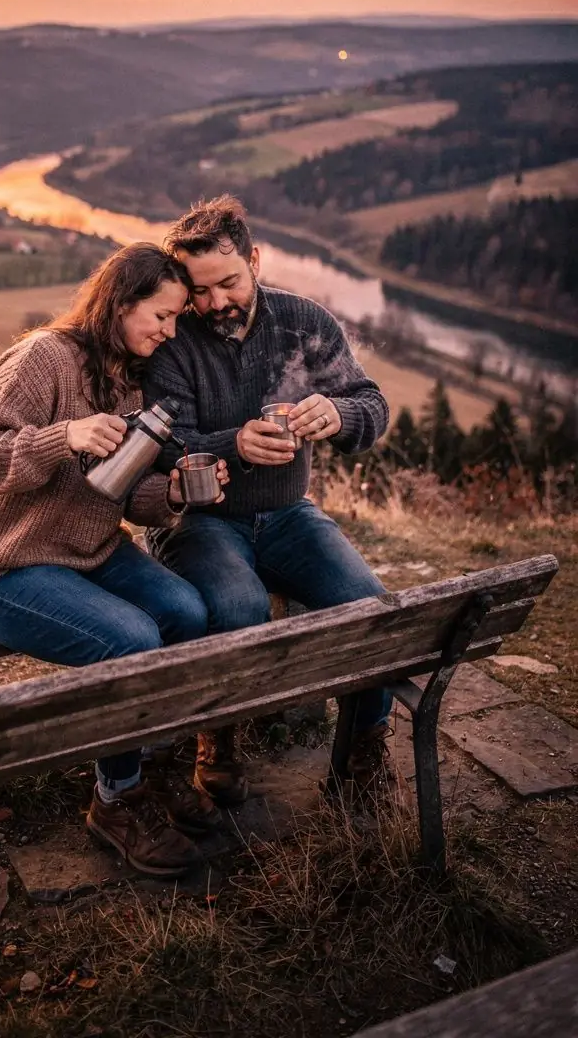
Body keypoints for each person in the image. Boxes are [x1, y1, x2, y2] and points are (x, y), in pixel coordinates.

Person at [0, 242, 228, 877]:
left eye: (177, 318)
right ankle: (116, 799)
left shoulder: (130, 377)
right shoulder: (40, 359)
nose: (169, 331)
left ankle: (151, 765)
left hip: (93, 551)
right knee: (130, 640)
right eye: (161, 315)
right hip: (8, 566)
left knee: (187, 611)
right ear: (120, 300)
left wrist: (178, 491)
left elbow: (126, 494)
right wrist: (62, 435)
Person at [144, 196, 396, 810]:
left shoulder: (304, 321)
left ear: (255, 260)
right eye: (198, 291)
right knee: (238, 606)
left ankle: (363, 750)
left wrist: (338, 413)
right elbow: (158, 443)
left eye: (227, 282)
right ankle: (218, 739)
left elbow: (373, 405)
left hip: (288, 514)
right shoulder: (175, 338)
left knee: (370, 609)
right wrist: (234, 445)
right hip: (200, 521)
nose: (214, 304)